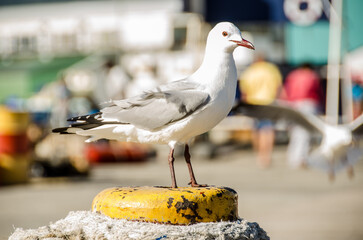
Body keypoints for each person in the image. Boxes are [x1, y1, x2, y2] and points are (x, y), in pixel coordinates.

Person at [239, 56, 282, 168]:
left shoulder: (249, 71)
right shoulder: (271, 69)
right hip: (269, 102)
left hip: (253, 104)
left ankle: (259, 155)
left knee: (256, 130)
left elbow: (244, 92)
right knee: (267, 130)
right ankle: (266, 156)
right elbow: (278, 87)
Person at [280, 63, 323, 168]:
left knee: (295, 132)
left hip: (293, 105)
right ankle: (301, 159)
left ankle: (293, 158)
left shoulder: (293, 75)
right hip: (307, 104)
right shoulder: (312, 75)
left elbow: (285, 92)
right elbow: (317, 92)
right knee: (304, 133)